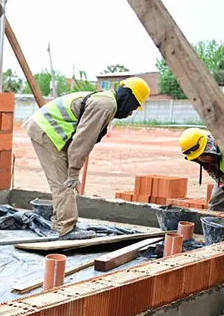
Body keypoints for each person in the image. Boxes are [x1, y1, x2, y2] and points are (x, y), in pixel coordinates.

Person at [24, 77, 150, 236]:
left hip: (49, 130)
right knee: (63, 183)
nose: (131, 113)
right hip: (47, 131)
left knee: (63, 182)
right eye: (134, 107)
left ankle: (61, 223)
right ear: (129, 100)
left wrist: (73, 167)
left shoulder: (106, 100)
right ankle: (65, 229)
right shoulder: (105, 105)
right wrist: (74, 171)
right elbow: (82, 140)